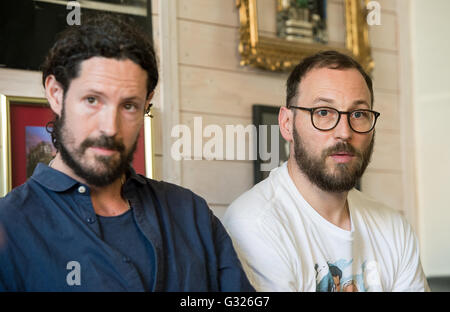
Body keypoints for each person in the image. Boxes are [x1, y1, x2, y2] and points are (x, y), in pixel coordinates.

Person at [0, 14, 254, 292]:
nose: (110, 128)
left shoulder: (191, 214)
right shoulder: (10, 228)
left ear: (147, 103)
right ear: (56, 94)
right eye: (93, 100)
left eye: (129, 106)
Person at [223, 50, 429, 292]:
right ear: (287, 124)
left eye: (359, 114)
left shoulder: (393, 228)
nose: (344, 132)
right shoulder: (255, 224)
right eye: (323, 112)